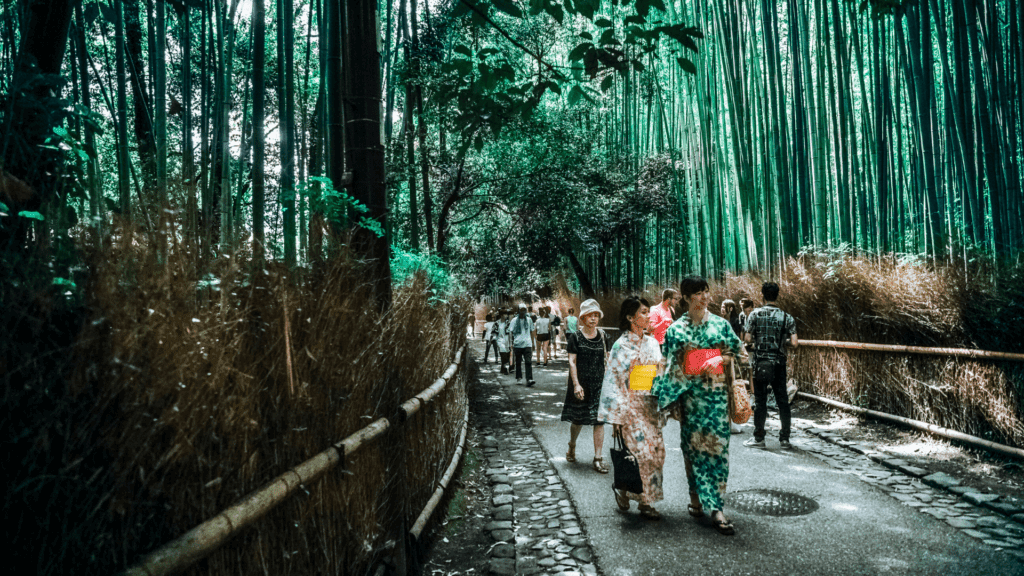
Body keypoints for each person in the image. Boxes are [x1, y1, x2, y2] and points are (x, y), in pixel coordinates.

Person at [651, 276, 745, 536]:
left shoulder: (721, 324)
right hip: (691, 400)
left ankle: (716, 507)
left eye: (706, 291)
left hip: (717, 399)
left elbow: (738, 353)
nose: (705, 296)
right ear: (686, 297)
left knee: (718, 452)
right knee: (692, 450)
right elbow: (667, 365)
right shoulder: (675, 330)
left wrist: (715, 357)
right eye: (699, 292)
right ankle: (695, 496)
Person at [598, 296, 667, 520]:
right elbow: (614, 381)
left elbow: (660, 374)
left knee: (656, 454)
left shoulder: (653, 342)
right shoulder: (621, 345)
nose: (649, 316)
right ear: (630, 317)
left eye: (648, 312)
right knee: (639, 454)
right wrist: (616, 419)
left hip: (650, 406)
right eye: (644, 312)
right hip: (630, 407)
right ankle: (641, 500)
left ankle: (636, 495)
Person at [743, 282, 798, 450]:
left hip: (760, 363)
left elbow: (746, 339)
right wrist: (782, 341)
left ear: (763, 295)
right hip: (779, 363)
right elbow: (794, 343)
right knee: (783, 401)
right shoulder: (786, 317)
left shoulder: (754, 314)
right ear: (777, 295)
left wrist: (758, 341)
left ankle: (759, 438)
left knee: (760, 401)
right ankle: (785, 439)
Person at [562, 299, 612, 473]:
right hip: (581, 383)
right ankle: (572, 445)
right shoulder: (575, 337)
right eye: (590, 315)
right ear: (582, 318)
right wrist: (576, 385)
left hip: (599, 384)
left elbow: (609, 359)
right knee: (578, 419)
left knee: (599, 422)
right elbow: (572, 362)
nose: (593, 318)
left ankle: (598, 458)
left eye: (596, 315)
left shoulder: (604, 336)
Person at [509, 304, 536, 386]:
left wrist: (533, 343)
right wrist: (511, 343)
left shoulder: (529, 320)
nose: (523, 311)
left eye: (524, 309)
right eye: (521, 310)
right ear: (519, 310)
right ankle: (519, 378)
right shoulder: (514, 320)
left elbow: (532, 331)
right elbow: (510, 331)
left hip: (527, 344)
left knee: (528, 362)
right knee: (518, 362)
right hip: (517, 344)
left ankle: (529, 379)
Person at [495, 310, 512, 375]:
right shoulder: (497, 323)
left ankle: (502, 368)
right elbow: (494, 333)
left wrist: (511, 342)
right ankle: (505, 369)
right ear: (501, 315)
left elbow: (510, 333)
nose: (506, 316)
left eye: (506, 314)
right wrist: (495, 340)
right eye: (505, 314)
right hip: (500, 340)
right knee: (503, 354)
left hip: (507, 340)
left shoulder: (508, 323)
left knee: (507, 355)